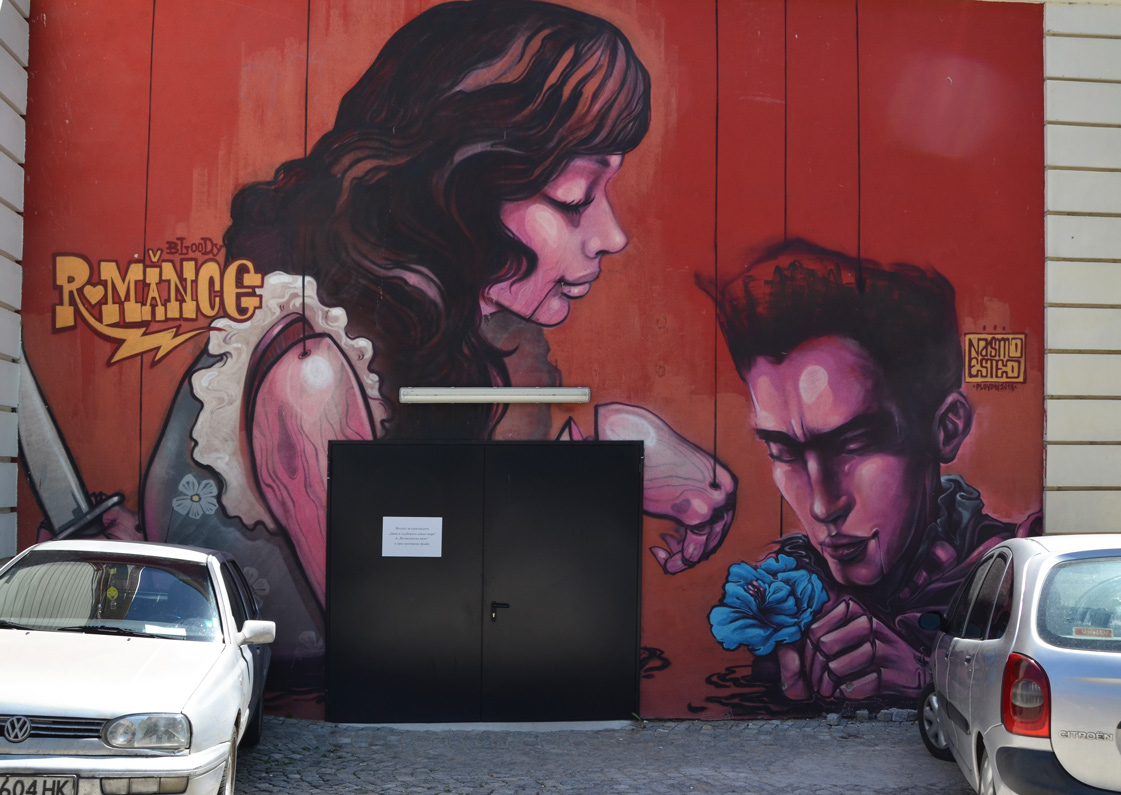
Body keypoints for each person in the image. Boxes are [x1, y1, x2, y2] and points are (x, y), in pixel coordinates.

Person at [113, 0, 732, 714]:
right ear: (456, 197)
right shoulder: (306, 374)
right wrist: (596, 489)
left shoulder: (477, 340)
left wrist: (609, 451)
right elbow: (410, 641)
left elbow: (453, 546)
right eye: (574, 197)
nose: (613, 234)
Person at [708, 238, 1040, 706]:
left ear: (946, 428)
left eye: (856, 445)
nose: (824, 504)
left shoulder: (1013, 578)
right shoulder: (779, 589)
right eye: (783, 451)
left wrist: (926, 677)